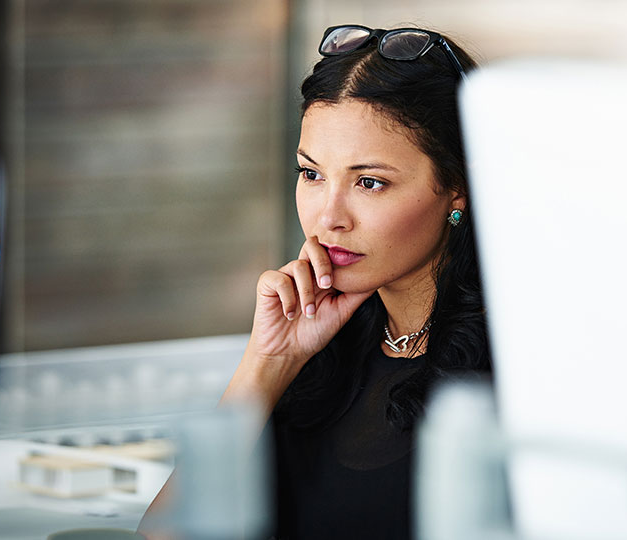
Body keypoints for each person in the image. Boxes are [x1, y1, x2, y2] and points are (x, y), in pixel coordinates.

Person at [140, 24, 491, 540]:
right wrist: (267, 364)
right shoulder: (318, 342)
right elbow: (161, 535)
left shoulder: (515, 372)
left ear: (457, 186)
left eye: (369, 182)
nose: (328, 218)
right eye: (312, 174)